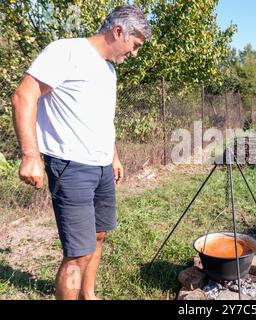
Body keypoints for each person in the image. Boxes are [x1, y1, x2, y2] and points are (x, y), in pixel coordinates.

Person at [11, 5, 151, 300]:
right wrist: (30, 156)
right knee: (78, 252)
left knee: (98, 236)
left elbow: (101, 118)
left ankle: (88, 295)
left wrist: (113, 156)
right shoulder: (66, 52)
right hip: (71, 167)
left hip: (101, 167)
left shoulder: (108, 69)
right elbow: (25, 94)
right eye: (135, 45)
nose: (134, 54)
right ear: (118, 32)